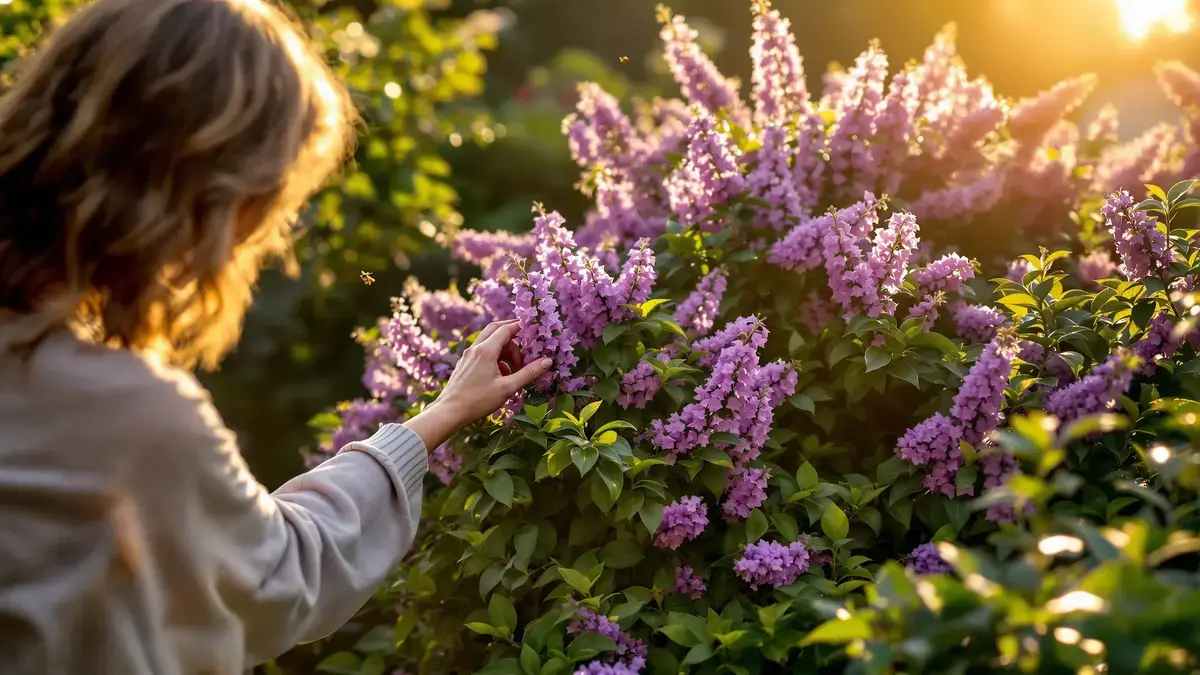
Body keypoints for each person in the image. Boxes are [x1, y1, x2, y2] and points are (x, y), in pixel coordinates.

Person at [0, 0, 552, 673]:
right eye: (268, 210)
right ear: (212, 194)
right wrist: (440, 417)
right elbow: (277, 574)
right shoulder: (126, 417)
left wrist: (440, 415)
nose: (259, 245)